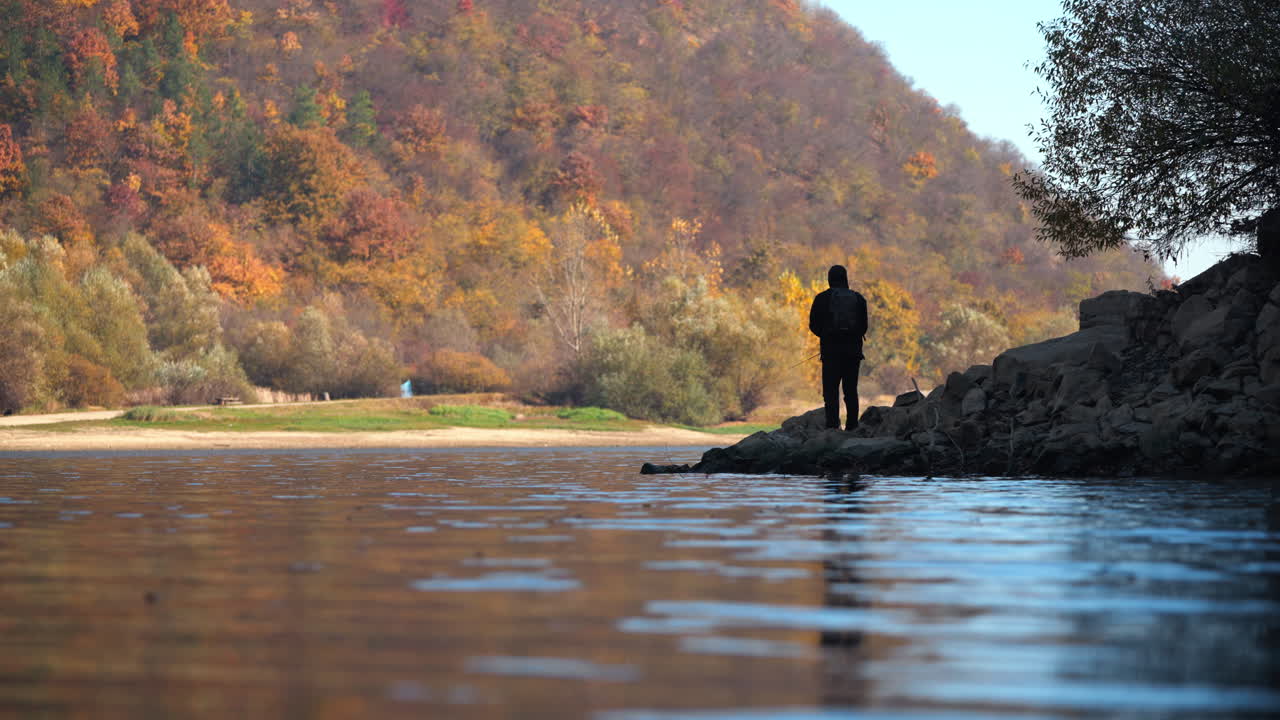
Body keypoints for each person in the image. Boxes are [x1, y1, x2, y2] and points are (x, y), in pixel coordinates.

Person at [808, 265, 868, 431]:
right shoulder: (859, 299)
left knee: (831, 392)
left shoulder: (821, 298)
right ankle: (852, 426)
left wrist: (827, 336)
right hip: (853, 353)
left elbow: (813, 325)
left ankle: (833, 427)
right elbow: (864, 327)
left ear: (829, 279)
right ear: (845, 278)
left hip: (830, 352)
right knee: (850, 391)